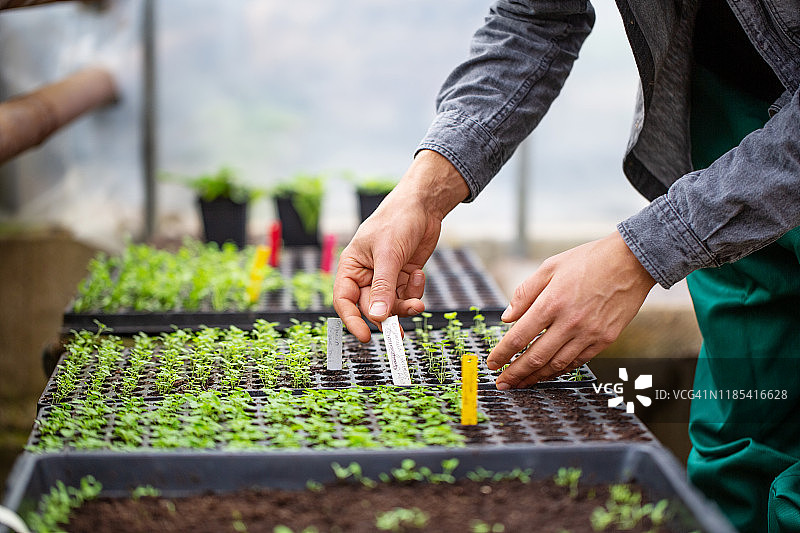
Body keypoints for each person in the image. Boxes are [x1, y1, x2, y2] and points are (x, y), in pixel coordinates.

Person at [333, 1, 800, 531]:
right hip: (724, 135)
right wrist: (424, 189)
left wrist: (640, 254)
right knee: (743, 442)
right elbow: (538, 16)